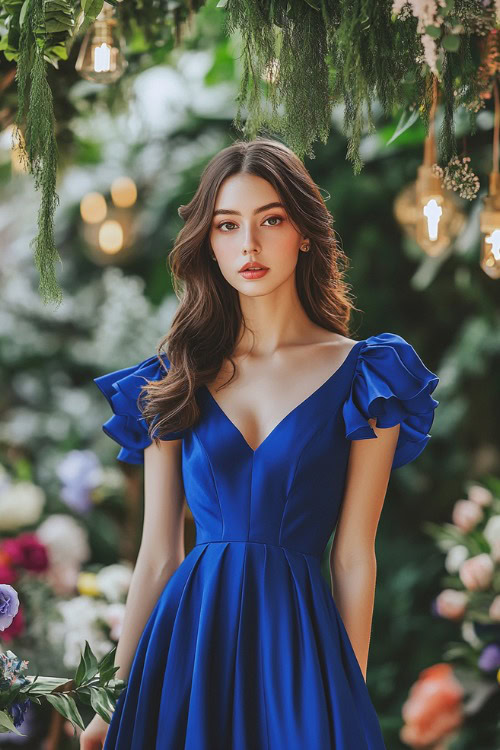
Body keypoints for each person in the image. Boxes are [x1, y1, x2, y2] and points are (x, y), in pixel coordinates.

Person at [81, 137, 439, 749]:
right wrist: (107, 702)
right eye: (227, 225)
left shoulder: (370, 375)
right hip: (187, 651)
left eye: (270, 219)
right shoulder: (174, 376)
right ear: (210, 244)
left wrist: (344, 693)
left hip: (300, 652)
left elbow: (353, 556)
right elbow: (158, 555)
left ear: (303, 232)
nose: (249, 244)